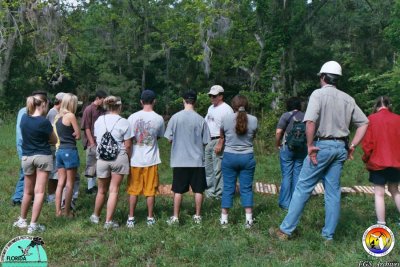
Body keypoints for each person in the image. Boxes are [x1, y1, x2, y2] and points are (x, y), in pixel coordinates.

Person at [270, 61, 369, 241]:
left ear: (323, 77)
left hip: (321, 146)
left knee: (302, 188)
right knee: (333, 192)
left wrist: (309, 146)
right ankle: (328, 236)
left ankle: (285, 231)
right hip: (340, 147)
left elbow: (310, 122)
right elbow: (364, 123)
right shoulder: (348, 98)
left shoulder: (318, 94)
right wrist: (353, 145)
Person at [164, 91, 210, 225]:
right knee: (198, 190)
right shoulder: (201, 119)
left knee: (178, 190)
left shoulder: (175, 118)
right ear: (195, 101)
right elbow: (206, 141)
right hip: (197, 161)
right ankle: (197, 216)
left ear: (183, 100)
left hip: (179, 159)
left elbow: (169, 139)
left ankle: (175, 217)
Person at [13, 93, 57, 234]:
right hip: (43, 156)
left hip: (27, 157)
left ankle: (22, 220)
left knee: (27, 191)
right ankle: (33, 225)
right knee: (39, 192)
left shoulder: (24, 118)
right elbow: (54, 140)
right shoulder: (44, 122)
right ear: (43, 105)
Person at [215, 95, 258, 228]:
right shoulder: (254, 119)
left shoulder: (226, 119)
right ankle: (249, 221)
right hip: (247, 157)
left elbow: (222, 135)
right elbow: (254, 135)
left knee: (228, 188)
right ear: (246, 105)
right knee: (246, 189)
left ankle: (224, 220)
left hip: (229, 157)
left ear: (233, 106)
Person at [89, 96, 132, 229]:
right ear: (119, 106)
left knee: (101, 190)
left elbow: (98, 139)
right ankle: (109, 221)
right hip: (119, 157)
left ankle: (95, 216)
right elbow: (128, 145)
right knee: (113, 190)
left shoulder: (99, 120)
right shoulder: (124, 122)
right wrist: (128, 159)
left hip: (102, 158)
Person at [126, 90, 165, 227]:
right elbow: (158, 136)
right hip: (151, 159)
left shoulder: (132, 117)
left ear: (141, 102)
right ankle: (150, 218)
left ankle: (131, 218)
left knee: (133, 190)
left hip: (135, 159)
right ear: (154, 101)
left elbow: (129, 138)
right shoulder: (159, 118)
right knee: (150, 191)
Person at [362, 96, 400, 226]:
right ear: (389, 106)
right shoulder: (398, 119)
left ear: (377, 106)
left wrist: (365, 158)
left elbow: (368, 144)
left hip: (377, 162)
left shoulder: (371, 119)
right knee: (395, 190)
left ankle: (381, 225)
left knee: (379, 193)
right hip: (395, 162)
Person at [12, 91, 48, 206]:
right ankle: (18, 197)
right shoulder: (26, 111)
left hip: (27, 144)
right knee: (25, 171)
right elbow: (22, 131)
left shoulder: (27, 110)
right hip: (26, 145)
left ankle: (30, 196)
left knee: (29, 171)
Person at [275, 97, 306, 210]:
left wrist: (277, 143)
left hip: (287, 148)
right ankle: (295, 203)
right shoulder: (305, 116)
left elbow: (279, 132)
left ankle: (284, 203)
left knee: (287, 175)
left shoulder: (286, 115)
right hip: (302, 149)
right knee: (297, 175)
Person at [204, 85, 233, 199]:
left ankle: (219, 193)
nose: (212, 98)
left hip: (219, 139)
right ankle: (211, 191)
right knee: (209, 168)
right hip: (209, 140)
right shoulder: (211, 108)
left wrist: (221, 141)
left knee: (218, 168)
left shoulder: (227, 109)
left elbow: (229, 128)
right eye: (210, 95)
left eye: (214, 96)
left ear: (221, 96)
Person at [54, 93, 81, 217]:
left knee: (60, 183)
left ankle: (58, 211)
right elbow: (78, 135)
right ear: (72, 104)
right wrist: (75, 134)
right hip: (70, 150)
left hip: (59, 151)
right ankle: (67, 211)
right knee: (70, 183)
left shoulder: (58, 117)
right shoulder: (71, 116)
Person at [81, 90, 108, 194]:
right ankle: (90, 187)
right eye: (103, 100)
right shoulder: (89, 109)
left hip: (102, 142)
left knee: (100, 165)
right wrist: (92, 143)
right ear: (97, 98)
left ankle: (97, 186)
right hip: (91, 142)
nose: (104, 102)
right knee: (91, 165)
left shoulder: (103, 110)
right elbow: (86, 127)